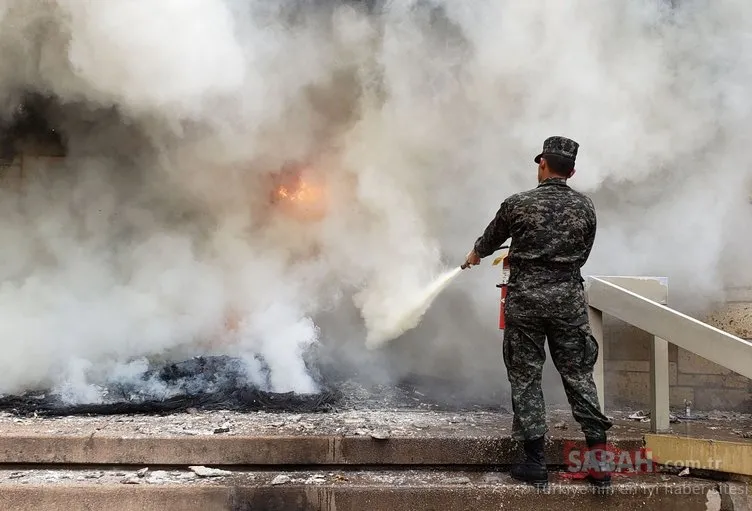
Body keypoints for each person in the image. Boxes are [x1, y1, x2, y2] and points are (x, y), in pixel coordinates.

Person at [463, 136, 613, 488]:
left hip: (526, 305)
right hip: (568, 304)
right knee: (578, 377)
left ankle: (534, 462)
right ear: (572, 171)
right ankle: (600, 464)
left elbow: (489, 240)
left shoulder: (517, 204)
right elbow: (584, 253)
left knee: (526, 378)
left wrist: (475, 255)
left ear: (542, 164)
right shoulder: (586, 207)